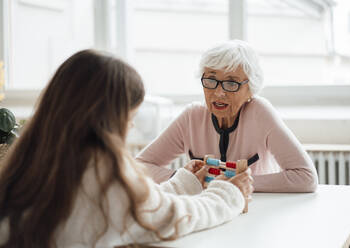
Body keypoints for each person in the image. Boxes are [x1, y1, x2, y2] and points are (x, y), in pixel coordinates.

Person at [0, 50, 253, 248]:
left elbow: (130, 205)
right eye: (129, 116)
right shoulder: (100, 168)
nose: (131, 125)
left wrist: (184, 183)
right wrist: (228, 194)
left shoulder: (35, 158)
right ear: (107, 117)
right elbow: (173, 217)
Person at [137, 40, 318, 192]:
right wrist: (184, 180)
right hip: (207, 212)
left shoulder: (259, 113)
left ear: (251, 89)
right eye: (211, 80)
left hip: (256, 212)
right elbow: (139, 165)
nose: (219, 93)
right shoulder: (192, 117)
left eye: (231, 83)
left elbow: (305, 177)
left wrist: (240, 184)